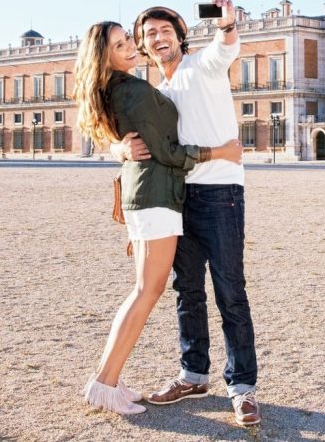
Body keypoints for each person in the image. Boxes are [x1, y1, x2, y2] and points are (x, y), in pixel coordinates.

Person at [73, 21, 242, 416]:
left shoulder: (124, 87)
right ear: (104, 56)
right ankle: (104, 383)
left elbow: (141, 141)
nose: (130, 46)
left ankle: (108, 379)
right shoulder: (131, 89)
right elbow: (164, 150)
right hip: (155, 196)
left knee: (146, 291)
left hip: (154, 195)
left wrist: (117, 147)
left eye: (128, 39)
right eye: (119, 44)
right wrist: (218, 152)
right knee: (146, 292)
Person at [115, 0, 261, 426]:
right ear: (142, 47)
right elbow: (140, 141)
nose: (158, 38)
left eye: (165, 31)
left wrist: (228, 24)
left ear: (180, 35)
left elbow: (226, 46)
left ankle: (242, 388)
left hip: (220, 193)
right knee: (187, 291)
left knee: (230, 291)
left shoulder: (203, 65)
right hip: (177, 197)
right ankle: (193, 373)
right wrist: (118, 146)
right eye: (148, 35)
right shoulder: (156, 93)